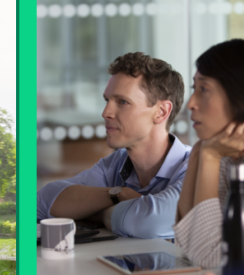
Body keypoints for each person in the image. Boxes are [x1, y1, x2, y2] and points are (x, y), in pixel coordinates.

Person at [36, 52, 189, 239]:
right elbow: (42, 202)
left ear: (161, 112)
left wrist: (98, 213)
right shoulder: (115, 165)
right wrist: (117, 194)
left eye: (122, 102)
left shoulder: (194, 170)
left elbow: (147, 222)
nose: (106, 112)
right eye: (107, 100)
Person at [172, 39, 244, 269]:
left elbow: (210, 258)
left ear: (243, 95)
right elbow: (187, 245)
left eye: (204, 89)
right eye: (194, 89)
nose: (190, 104)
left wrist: (208, 156)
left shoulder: (216, 155)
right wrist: (201, 151)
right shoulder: (227, 157)